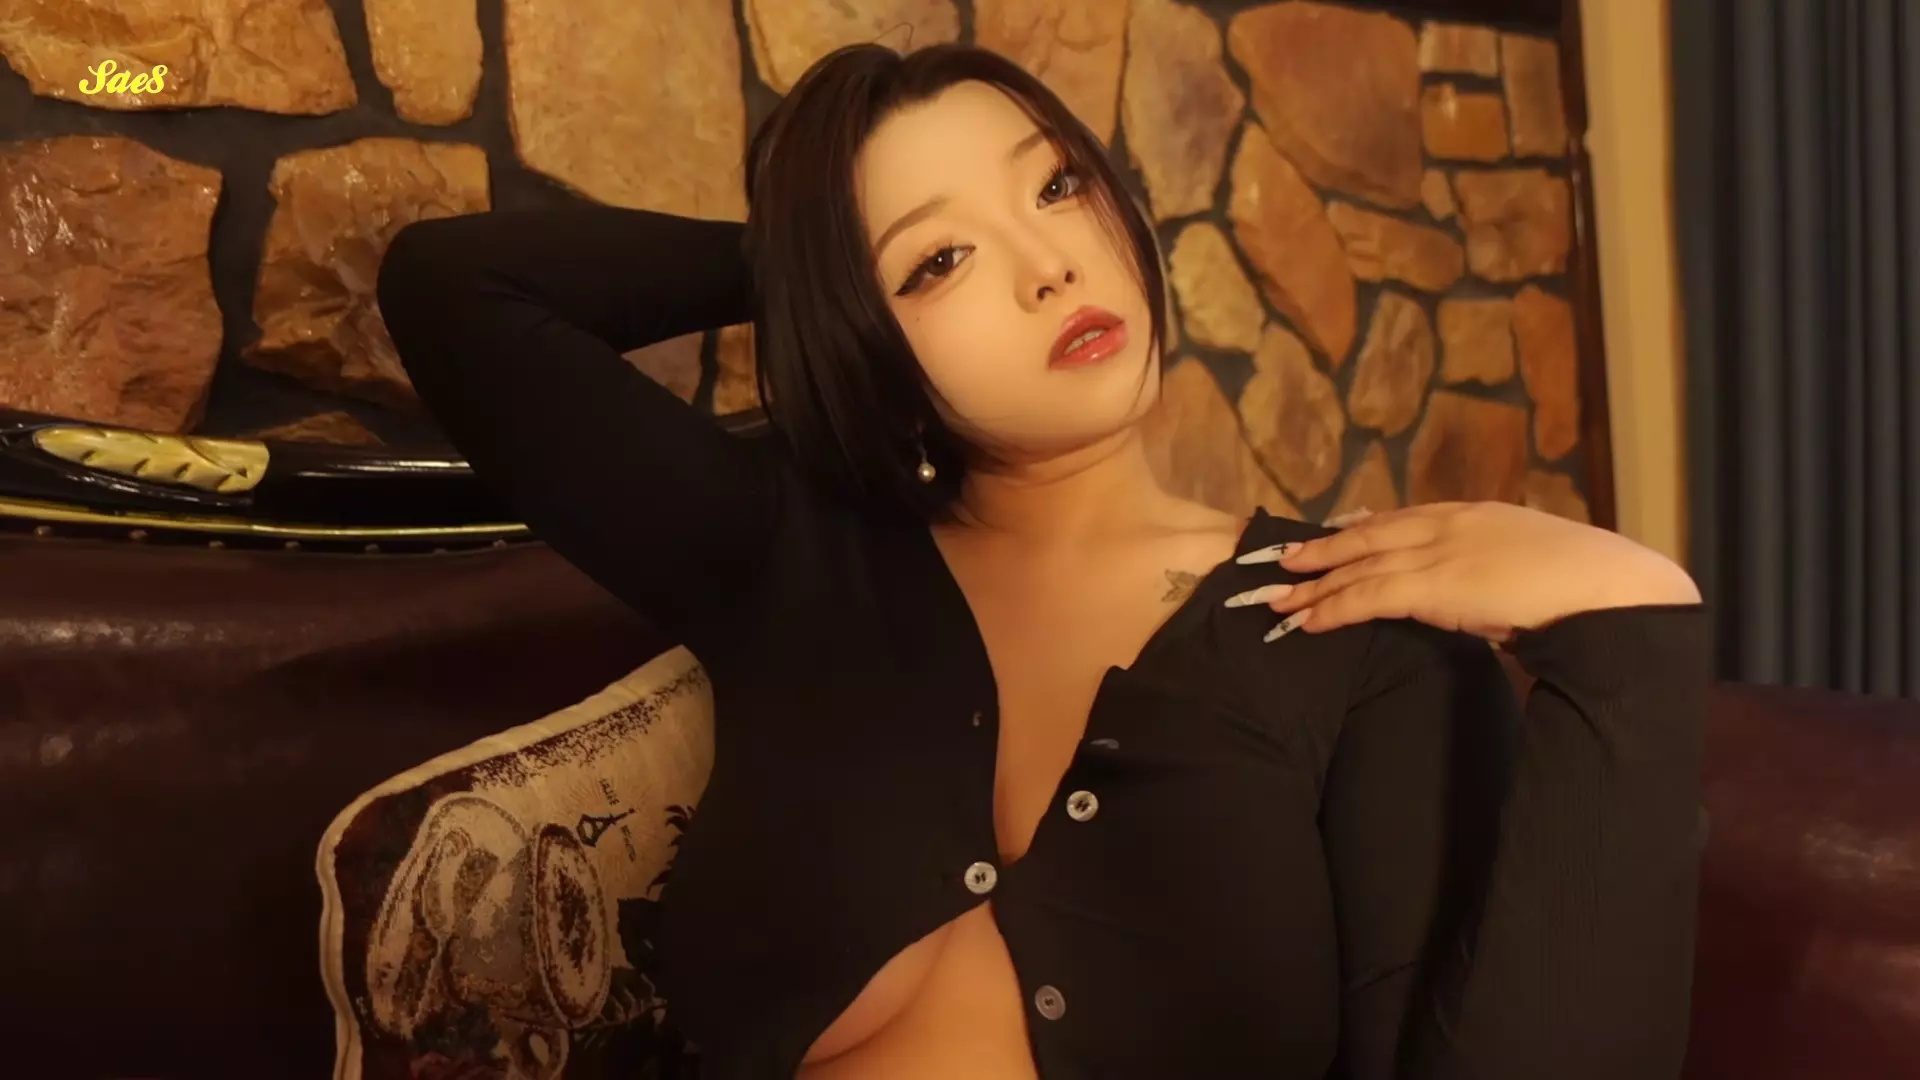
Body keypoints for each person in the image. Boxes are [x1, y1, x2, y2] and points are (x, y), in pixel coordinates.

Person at [376, 41, 1708, 1080]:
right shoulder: (788, 558)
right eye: (940, 260)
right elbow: (455, 293)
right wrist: (812, 268)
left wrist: (1630, 627)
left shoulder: (1352, 625)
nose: (1048, 265)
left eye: (1058, 185)